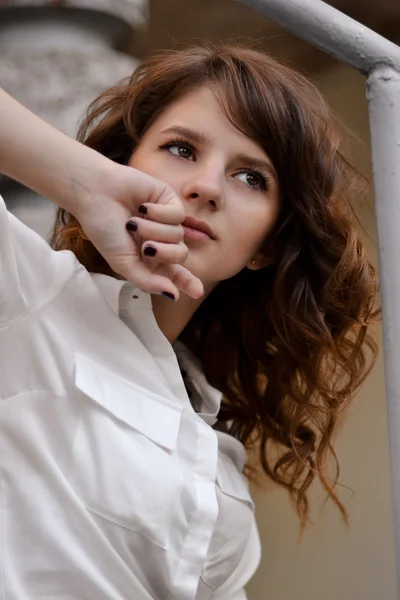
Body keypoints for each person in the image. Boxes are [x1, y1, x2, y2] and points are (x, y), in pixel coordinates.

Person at [0, 43, 378, 600]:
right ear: (126, 162)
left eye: (252, 178)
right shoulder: (28, 295)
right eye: (181, 149)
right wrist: (88, 184)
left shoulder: (220, 469)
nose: (206, 187)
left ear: (265, 248)